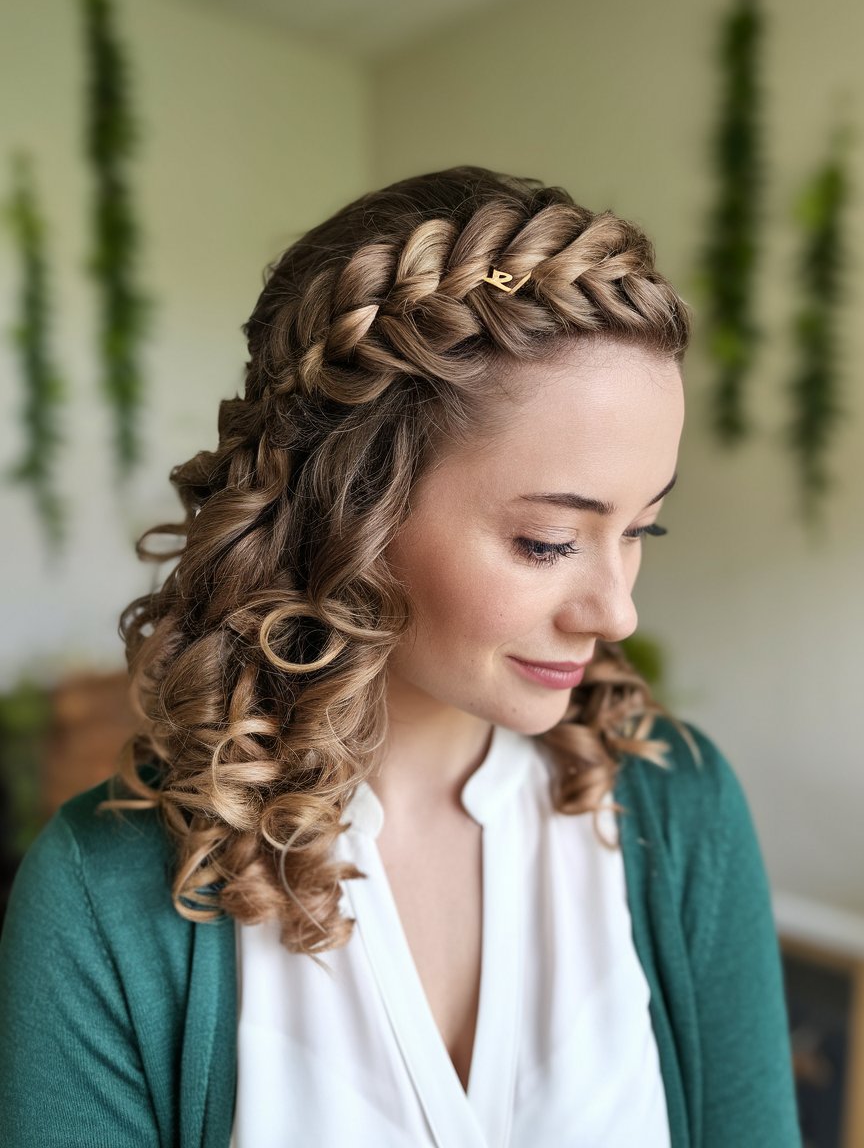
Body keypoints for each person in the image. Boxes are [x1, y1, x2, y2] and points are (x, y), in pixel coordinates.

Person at [0, 166, 800, 1147]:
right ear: (352, 511)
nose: (618, 611)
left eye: (643, 530)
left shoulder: (679, 809)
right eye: (549, 541)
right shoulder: (104, 894)